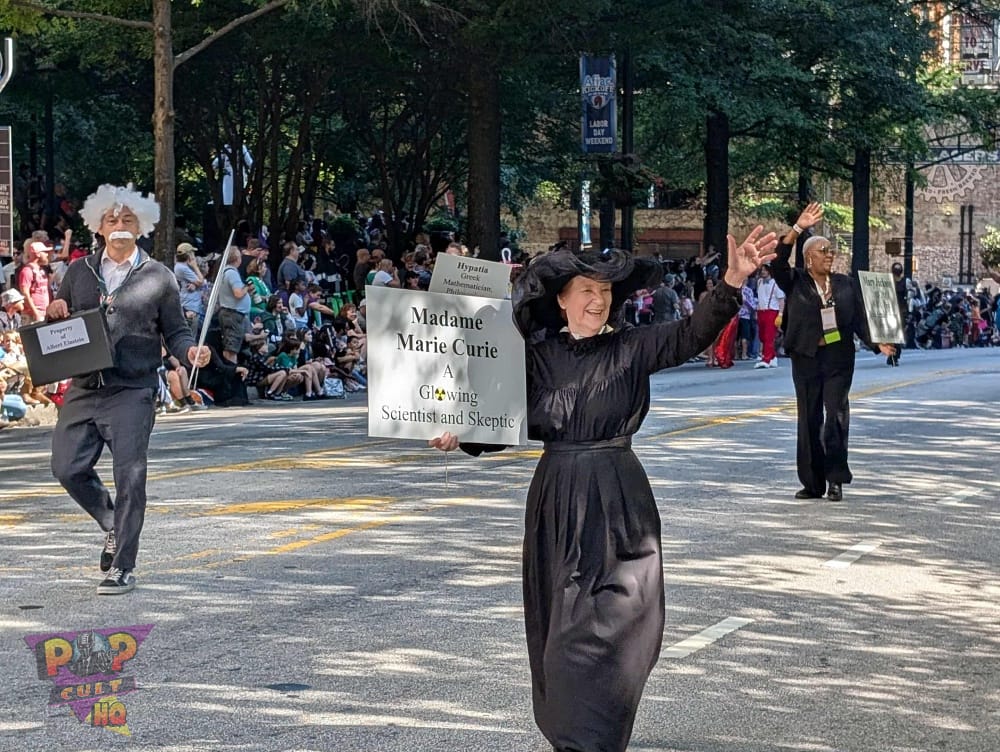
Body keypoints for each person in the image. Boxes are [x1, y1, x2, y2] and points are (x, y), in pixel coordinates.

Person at [429, 227, 778, 752]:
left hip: (619, 498)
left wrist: (730, 283)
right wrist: (462, 433)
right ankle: (576, 738)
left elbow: (691, 334)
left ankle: (594, 736)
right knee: (563, 634)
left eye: (606, 292)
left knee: (618, 624)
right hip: (557, 497)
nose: (598, 301)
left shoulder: (633, 346)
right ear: (563, 299)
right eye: (587, 291)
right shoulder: (537, 357)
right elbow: (497, 421)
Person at [46, 184, 211, 595]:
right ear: (98, 226)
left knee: (130, 477)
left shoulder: (159, 276)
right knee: (66, 467)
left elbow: (175, 331)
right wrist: (54, 311)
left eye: (128, 220)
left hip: (133, 388)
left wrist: (190, 351)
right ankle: (111, 523)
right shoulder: (79, 271)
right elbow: (60, 325)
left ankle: (123, 567)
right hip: (84, 387)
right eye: (111, 219)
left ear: (142, 226)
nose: (119, 226)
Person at [771, 202, 895, 502]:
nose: (829, 254)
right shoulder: (795, 281)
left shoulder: (844, 284)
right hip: (806, 357)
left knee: (836, 415)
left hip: (838, 358)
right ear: (807, 258)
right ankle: (812, 483)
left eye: (831, 250)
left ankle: (836, 479)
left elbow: (859, 318)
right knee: (809, 418)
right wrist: (799, 228)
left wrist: (877, 342)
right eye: (822, 250)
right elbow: (777, 262)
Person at [754, 262, 785, 368]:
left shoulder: (776, 283)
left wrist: (780, 315)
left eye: (765, 270)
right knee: (762, 336)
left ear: (769, 271)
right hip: (761, 311)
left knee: (769, 336)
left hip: (772, 311)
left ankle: (766, 359)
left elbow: (781, 300)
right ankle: (772, 357)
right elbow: (759, 298)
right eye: (762, 270)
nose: (763, 272)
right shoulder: (759, 282)